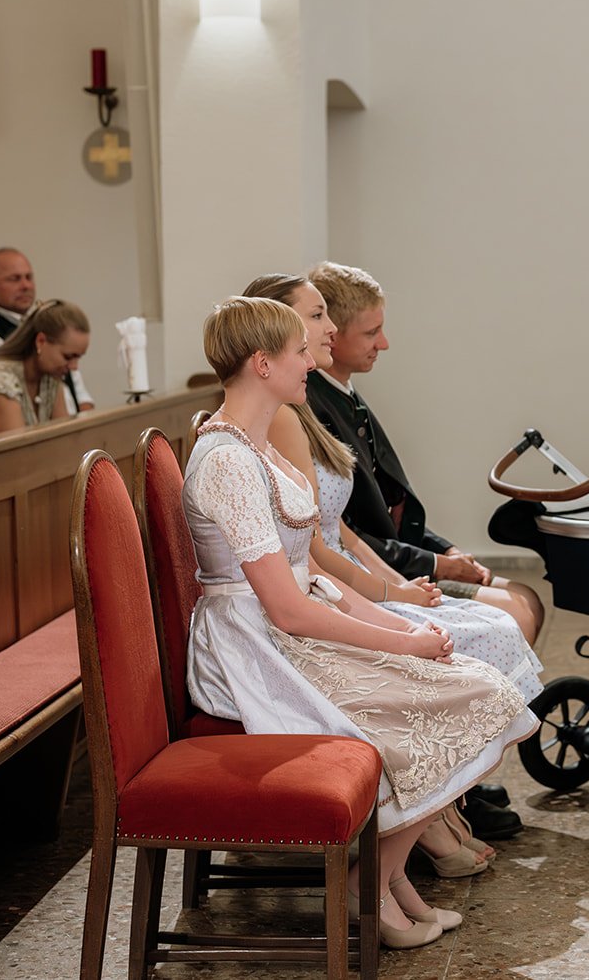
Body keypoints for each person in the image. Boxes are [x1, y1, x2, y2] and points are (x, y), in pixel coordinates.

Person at [182, 295, 537, 949]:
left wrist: (402, 632)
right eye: (298, 351)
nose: (309, 363)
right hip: (256, 646)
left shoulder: (257, 446)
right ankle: (368, 881)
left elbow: (313, 575)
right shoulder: (228, 461)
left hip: (289, 623)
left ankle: (387, 876)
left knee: (478, 687)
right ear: (262, 363)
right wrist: (402, 642)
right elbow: (287, 606)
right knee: (478, 696)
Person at [243, 272, 545, 869]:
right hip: (311, 597)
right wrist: (391, 599)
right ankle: (432, 807)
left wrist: (397, 589)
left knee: (495, 625)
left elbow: (342, 530)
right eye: (317, 318)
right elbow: (310, 555)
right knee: (480, 636)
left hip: (344, 578)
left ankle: (447, 798)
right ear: (274, 335)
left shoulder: (301, 409)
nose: (330, 330)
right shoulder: (278, 419)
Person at [304, 262, 545, 641]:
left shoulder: (344, 395)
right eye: (371, 332)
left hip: (394, 556)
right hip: (373, 570)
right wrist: (436, 565)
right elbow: (344, 531)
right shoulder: (313, 408)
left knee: (525, 598)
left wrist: (446, 551)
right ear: (332, 334)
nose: (383, 343)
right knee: (517, 609)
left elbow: (391, 502)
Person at [0, 248, 95, 415]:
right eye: (14, 279)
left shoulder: (48, 325)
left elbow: (81, 397)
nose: (26, 286)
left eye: (29, 277)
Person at [0, 299, 90, 440]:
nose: (74, 367)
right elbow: (17, 448)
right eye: (68, 357)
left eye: (78, 357)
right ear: (41, 341)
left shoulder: (50, 375)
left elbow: (64, 440)